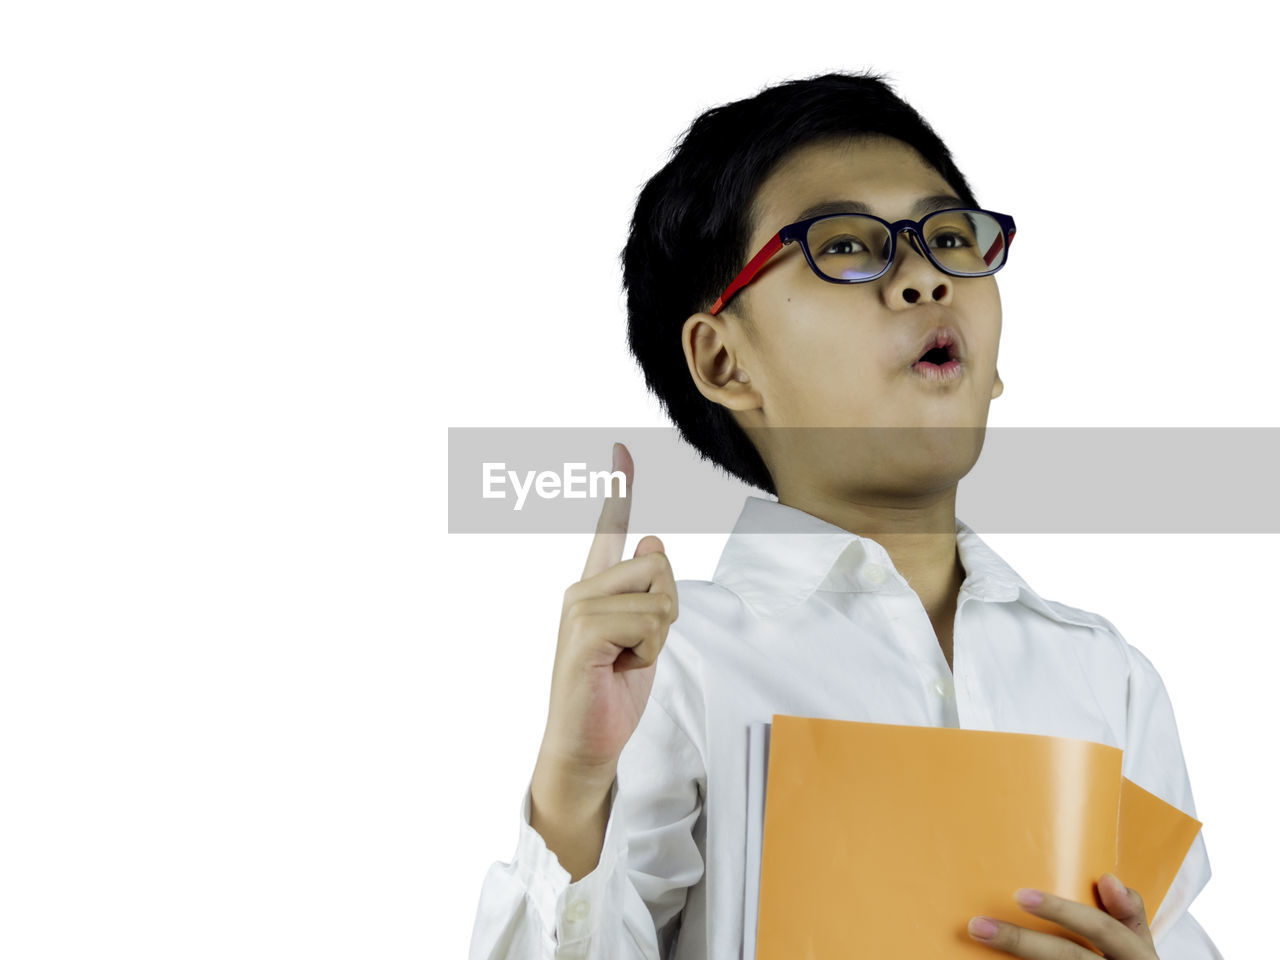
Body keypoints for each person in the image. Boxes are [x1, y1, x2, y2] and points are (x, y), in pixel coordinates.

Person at [467, 71, 1220, 959]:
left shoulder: (1108, 681)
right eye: (849, 247)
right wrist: (575, 784)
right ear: (723, 361)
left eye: (948, 238)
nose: (925, 281)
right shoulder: (670, 668)